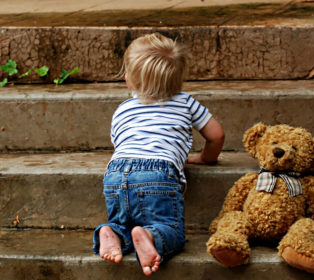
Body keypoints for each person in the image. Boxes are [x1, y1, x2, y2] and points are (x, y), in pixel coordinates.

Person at [92, 32, 225, 276]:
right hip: (158, 173)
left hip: (116, 172)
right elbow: (216, 135)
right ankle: (151, 235)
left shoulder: (123, 109)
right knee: (171, 228)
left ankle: (110, 232)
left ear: (130, 80)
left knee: (124, 221)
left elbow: (119, 142)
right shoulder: (185, 102)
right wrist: (206, 158)